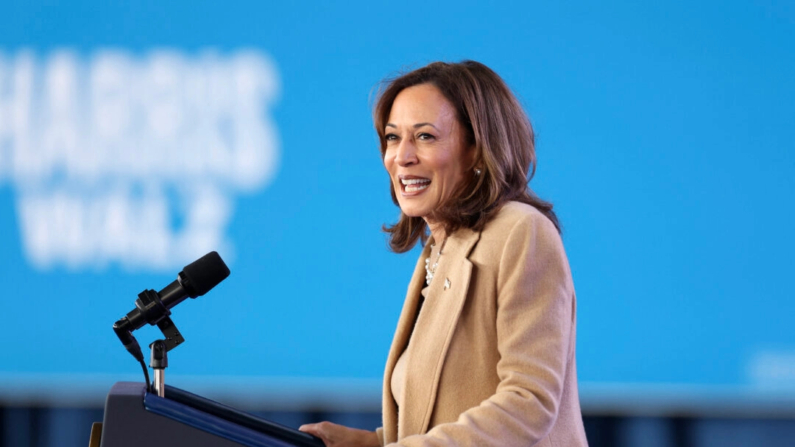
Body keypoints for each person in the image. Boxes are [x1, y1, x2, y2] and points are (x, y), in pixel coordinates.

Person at [300, 61, 588, 447]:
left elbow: (528, 402)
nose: (401, 157)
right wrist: (369, 443)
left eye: (424, 137)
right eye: (392, 137)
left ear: (475, 150)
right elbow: (446, 409)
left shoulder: (521, 230)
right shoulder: (440, 247)